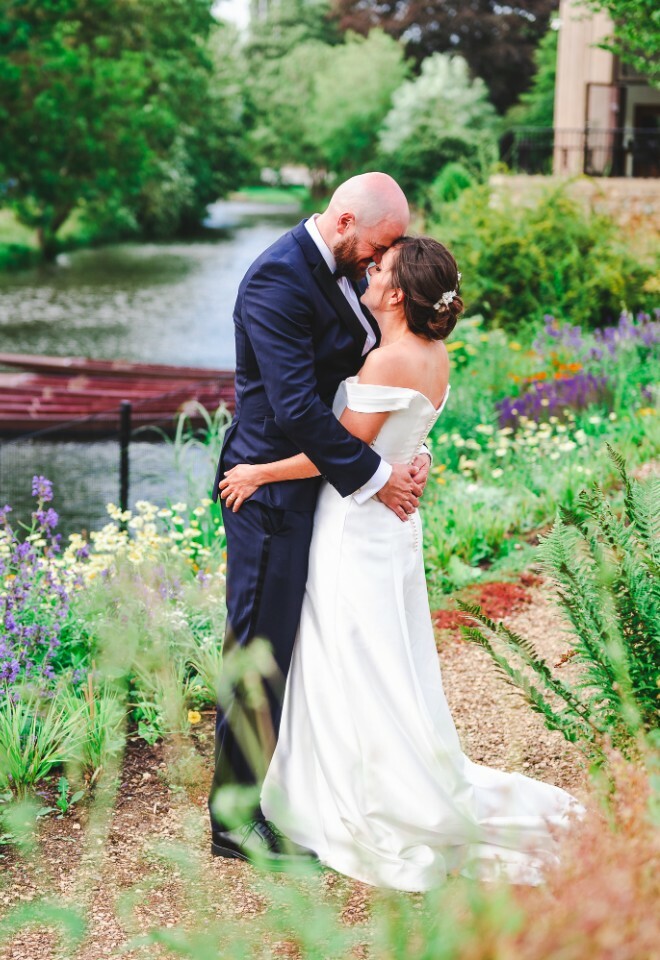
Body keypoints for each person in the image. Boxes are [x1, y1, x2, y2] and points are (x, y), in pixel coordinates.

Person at [220, 236, 584, 891]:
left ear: (394, 293)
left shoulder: (388, 361)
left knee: (350, 659)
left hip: (355, 527)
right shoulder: (433, 354)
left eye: (380, 267)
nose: (370, 268)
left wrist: (260, 471)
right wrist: (410, 463)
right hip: (392, 527)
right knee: (382, 660)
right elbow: (403, 438)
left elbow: (339, 449)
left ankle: (358, 791)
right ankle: (348, 774)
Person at [209, 173, 432, 865]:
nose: (381, 259)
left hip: (324, 494)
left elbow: (376, 381)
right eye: (380, 244)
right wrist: (378, 475)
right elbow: (297, 409)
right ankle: (232, 822)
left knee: (304, 653)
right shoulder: (275, 280)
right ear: (343, 223)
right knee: (258, 650)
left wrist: (408, 447)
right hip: (268, 497)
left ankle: (296, 793)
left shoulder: (344, 267)